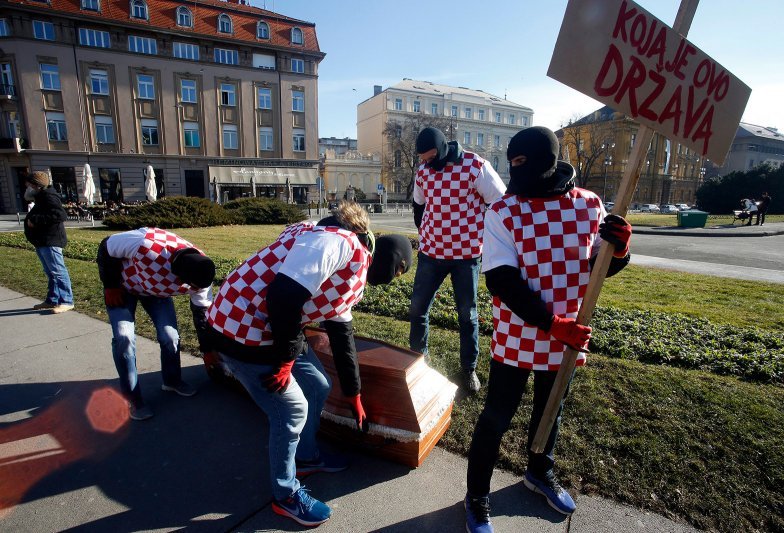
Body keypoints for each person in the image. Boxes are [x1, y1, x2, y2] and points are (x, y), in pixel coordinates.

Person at [203, 202, 413, 528]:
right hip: (241, 330)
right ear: (392, 262)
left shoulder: (352, 259)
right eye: (399, 272)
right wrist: (285, 361)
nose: (393, 279)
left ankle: (307, 456)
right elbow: (283, 295)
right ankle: (285, 495)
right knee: (291, 411)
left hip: (272, 326)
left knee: (318, 384)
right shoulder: (339, 243)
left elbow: (341, 334)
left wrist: (354, 393)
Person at [463, 127, 632, 532]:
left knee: (548, 412)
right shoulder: (503, 211)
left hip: (568, 337)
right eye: (512, 163)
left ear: (548, 161)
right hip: (518, 336)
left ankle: (539, 471)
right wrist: (553, 324)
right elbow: (502, 280)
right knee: (496, 418)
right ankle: (476, 496)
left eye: (524, 162)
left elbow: (597, 269)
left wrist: (620, 249)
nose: (516, 171)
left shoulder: (588, 205)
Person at [410, 126, 506, 394]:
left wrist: (484, 234)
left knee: (468, 315)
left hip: (466, 256)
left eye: (429, 158)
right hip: (431, 254)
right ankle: (418, 363)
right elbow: (419, 205)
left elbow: (499, 202)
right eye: (422, 159)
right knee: (418, 310)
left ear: (441, 150)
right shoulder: (423, 172)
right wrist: (426, 231)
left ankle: (468, 369)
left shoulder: (475, 166)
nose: (425, 163)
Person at [97, 227, 216, 421]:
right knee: (124, 338)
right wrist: (111, 285)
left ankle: (172, 381)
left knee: (170, 337)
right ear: (178, 276)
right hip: (122, 288)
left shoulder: (201, 272)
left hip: (155, 293)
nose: (195, 290)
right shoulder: (145, 242)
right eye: (192, 286)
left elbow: (202, 315)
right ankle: (132, 398)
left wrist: (208, 349)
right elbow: (106, 246)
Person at [24, 171, 75, 314]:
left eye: (29, 184)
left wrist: (35, 220)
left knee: (58, 272)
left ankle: (66, 300)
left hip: (51, 240)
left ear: (36, 185)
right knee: (51, 272)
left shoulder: (48, 196)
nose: (27, 187)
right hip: (43, 240)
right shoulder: (41, 197)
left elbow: (60, 214)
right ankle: (52, 299)